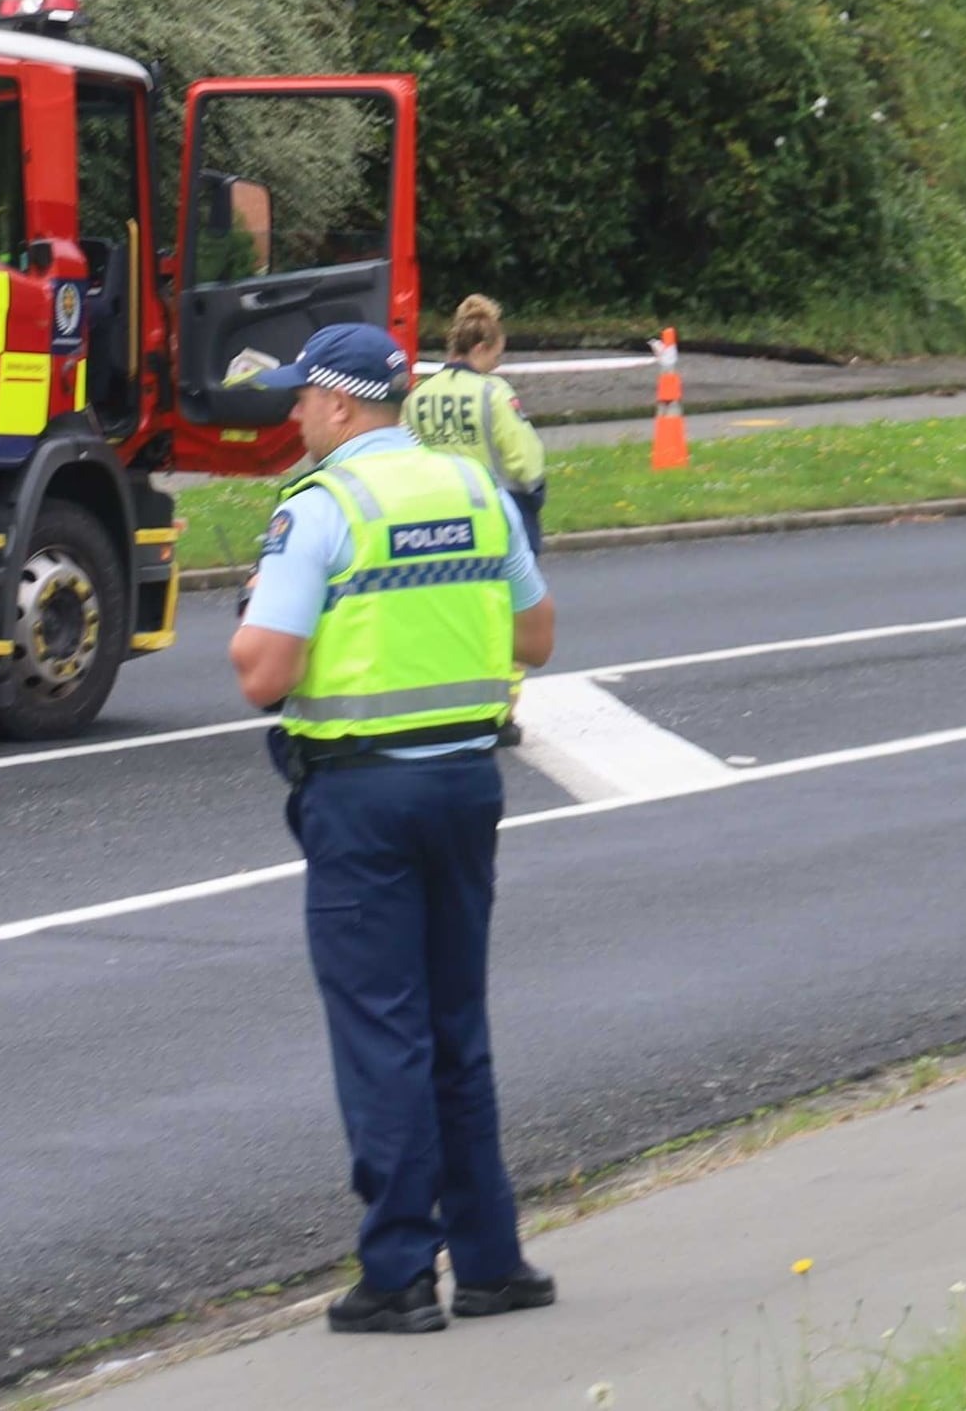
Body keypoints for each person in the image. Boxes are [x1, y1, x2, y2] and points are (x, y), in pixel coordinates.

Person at [229, 323, 563, 1334]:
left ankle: (400, 1271)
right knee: (456, 1024)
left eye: (300, 399)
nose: (292, 414)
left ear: (338, 405)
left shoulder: (321, 506)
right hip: (465, 783)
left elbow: (263, 671)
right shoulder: (473, 490)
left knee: (383, 1029)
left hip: (361, 794)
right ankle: (494, 1260)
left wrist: (263, 612)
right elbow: (536, 636)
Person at [401, 295, 553, 547]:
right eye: (496, 356)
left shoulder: (417, 397)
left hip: (436, 519)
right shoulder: (493, 393)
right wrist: (534, 494)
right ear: (481, 348)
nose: (497, 364)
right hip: (494, 514)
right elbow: (524, 459)